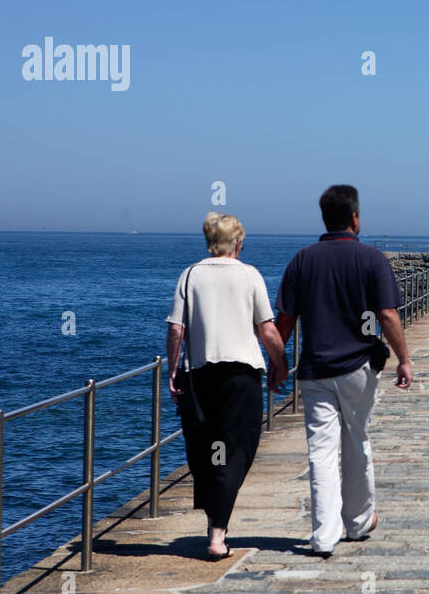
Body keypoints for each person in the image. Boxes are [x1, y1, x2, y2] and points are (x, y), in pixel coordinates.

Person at [274, 185, 412, 557]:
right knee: (357, 440)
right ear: (354, 217)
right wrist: (404, 358)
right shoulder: (371, 259)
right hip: (359, 368)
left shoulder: (303, 260)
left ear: (325, 218)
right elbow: (387, 315)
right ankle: (359, 521)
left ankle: (323, 535)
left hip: (316, 369)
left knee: (321, 450)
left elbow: (283, 322)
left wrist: (277, 364)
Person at [167, 213, 288, 559]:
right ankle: (218, 533)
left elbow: (177, 330)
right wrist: (281, 365)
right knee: (237, 450)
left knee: (205, 449)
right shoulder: (249, 275)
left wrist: (172, 371)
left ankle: (215, 523)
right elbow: (266, 328)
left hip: (200, 375)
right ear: (237, 243)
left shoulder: (189, 275)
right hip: (241, 377)